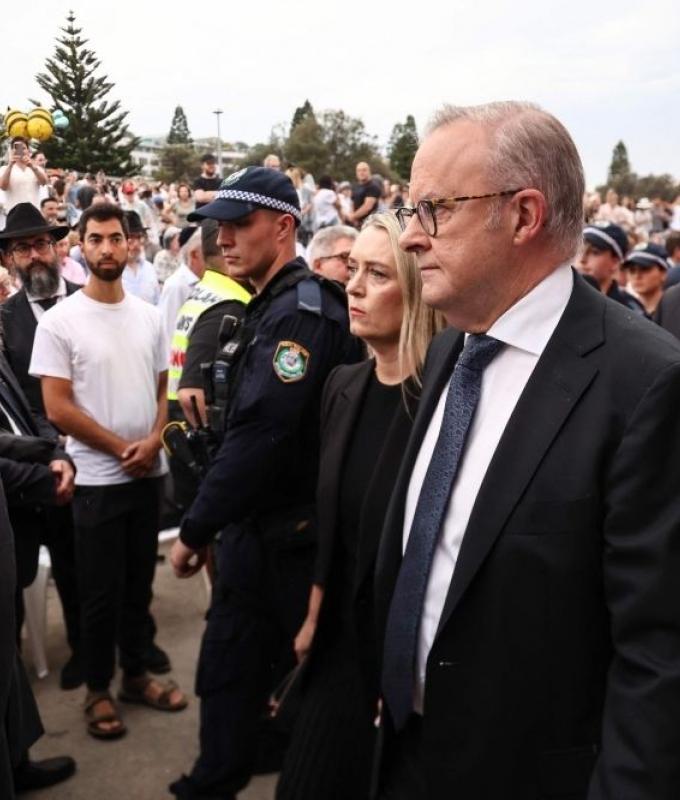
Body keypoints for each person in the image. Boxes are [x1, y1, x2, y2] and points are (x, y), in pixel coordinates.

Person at [374, 100, 680, 799]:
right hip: (403, 750)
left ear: (523, 214)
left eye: (433, 210)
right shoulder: (455, 342)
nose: (412, 237)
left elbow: (659, 653)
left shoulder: (645, 384)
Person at [167, 166, 359, 800]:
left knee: (292, 689)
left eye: (240, 224)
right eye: (218, 227)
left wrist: (195, 528)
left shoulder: (299, 317)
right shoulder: (267, 307)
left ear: (283, 227)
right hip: (260, 533)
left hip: (290, 540)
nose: (224, 238)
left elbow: (262, 438)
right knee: (232, 677)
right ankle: (216, 778)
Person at [276, 213, 443, 800]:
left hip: (400, 665)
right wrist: (315, 616)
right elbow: (336, 525)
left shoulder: (443, 409)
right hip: (335, 645)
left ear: (419, 290)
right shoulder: (342, 386)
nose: (353, 286)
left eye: (377, 273)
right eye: (352, 270)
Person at [29, 202, 188, 741]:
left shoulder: (148, 314)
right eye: (94, 239)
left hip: (148, 477)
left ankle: (135, 676)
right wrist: (125, 448)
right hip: (98, 482)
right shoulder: (59, 321)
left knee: (139, 587)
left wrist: (154, 441)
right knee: (98, 595)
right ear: (80, 244)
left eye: (115, 238)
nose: (105, 248)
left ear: (130, 243)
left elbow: (164, 386)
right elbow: (57, 407)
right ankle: (98, 688)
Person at [577, 222, 646, 314]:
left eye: (595, 252)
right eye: (579, 250)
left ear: (615, 262)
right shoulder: (557, 299)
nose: (582, 259)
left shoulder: (628, 309)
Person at [158, 226, 205, 348]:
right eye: (207, 254)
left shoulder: (203, 281)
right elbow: (168, 332)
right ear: (194, 255)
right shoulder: (176, 286)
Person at [122, 210, 160, 304]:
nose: (135, 244)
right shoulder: (109, 274)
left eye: (138, 237)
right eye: (130, 238)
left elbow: (157, 303)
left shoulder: (149, 269)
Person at [621, 242, 669, 317]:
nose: (637, 276)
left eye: (645, 269)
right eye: (632, 270)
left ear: (663, 273)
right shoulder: (624, 307)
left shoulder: (674, 308)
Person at [0, 138, 48, 212]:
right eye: (17, 148)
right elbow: (3, 187)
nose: (20, 151)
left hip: (34, 212)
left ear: (28, 151)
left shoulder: (36, 168)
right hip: (14, 213)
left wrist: (32, 166)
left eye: (23, 148)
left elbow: (44, 182)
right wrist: (10, 165)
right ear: (12, 150)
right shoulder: (4, 169)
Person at [350, 162, 381, 228]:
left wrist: (353, 217)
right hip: (356, 223)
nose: (361, 172)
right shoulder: (355, 186)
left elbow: (367, 207)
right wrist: (353, 217)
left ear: (369, 171)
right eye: (359, 170)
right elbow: (353, 202)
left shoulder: (373, 186)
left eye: (364, 170)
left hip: (369, 224)